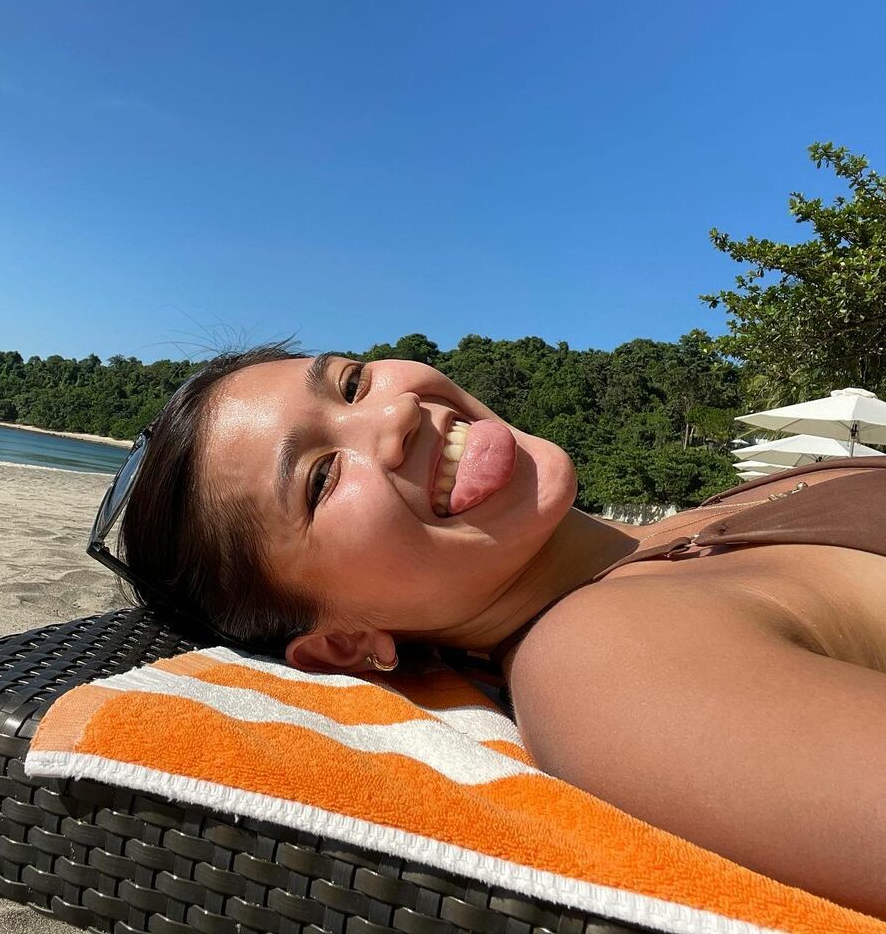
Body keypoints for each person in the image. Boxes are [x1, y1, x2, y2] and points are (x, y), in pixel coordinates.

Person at [92, 340, 886, 921]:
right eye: (322, 478)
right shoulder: (607, 664)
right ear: (342, 645)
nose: (396, 413)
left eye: (353, 382)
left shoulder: (693, 529)